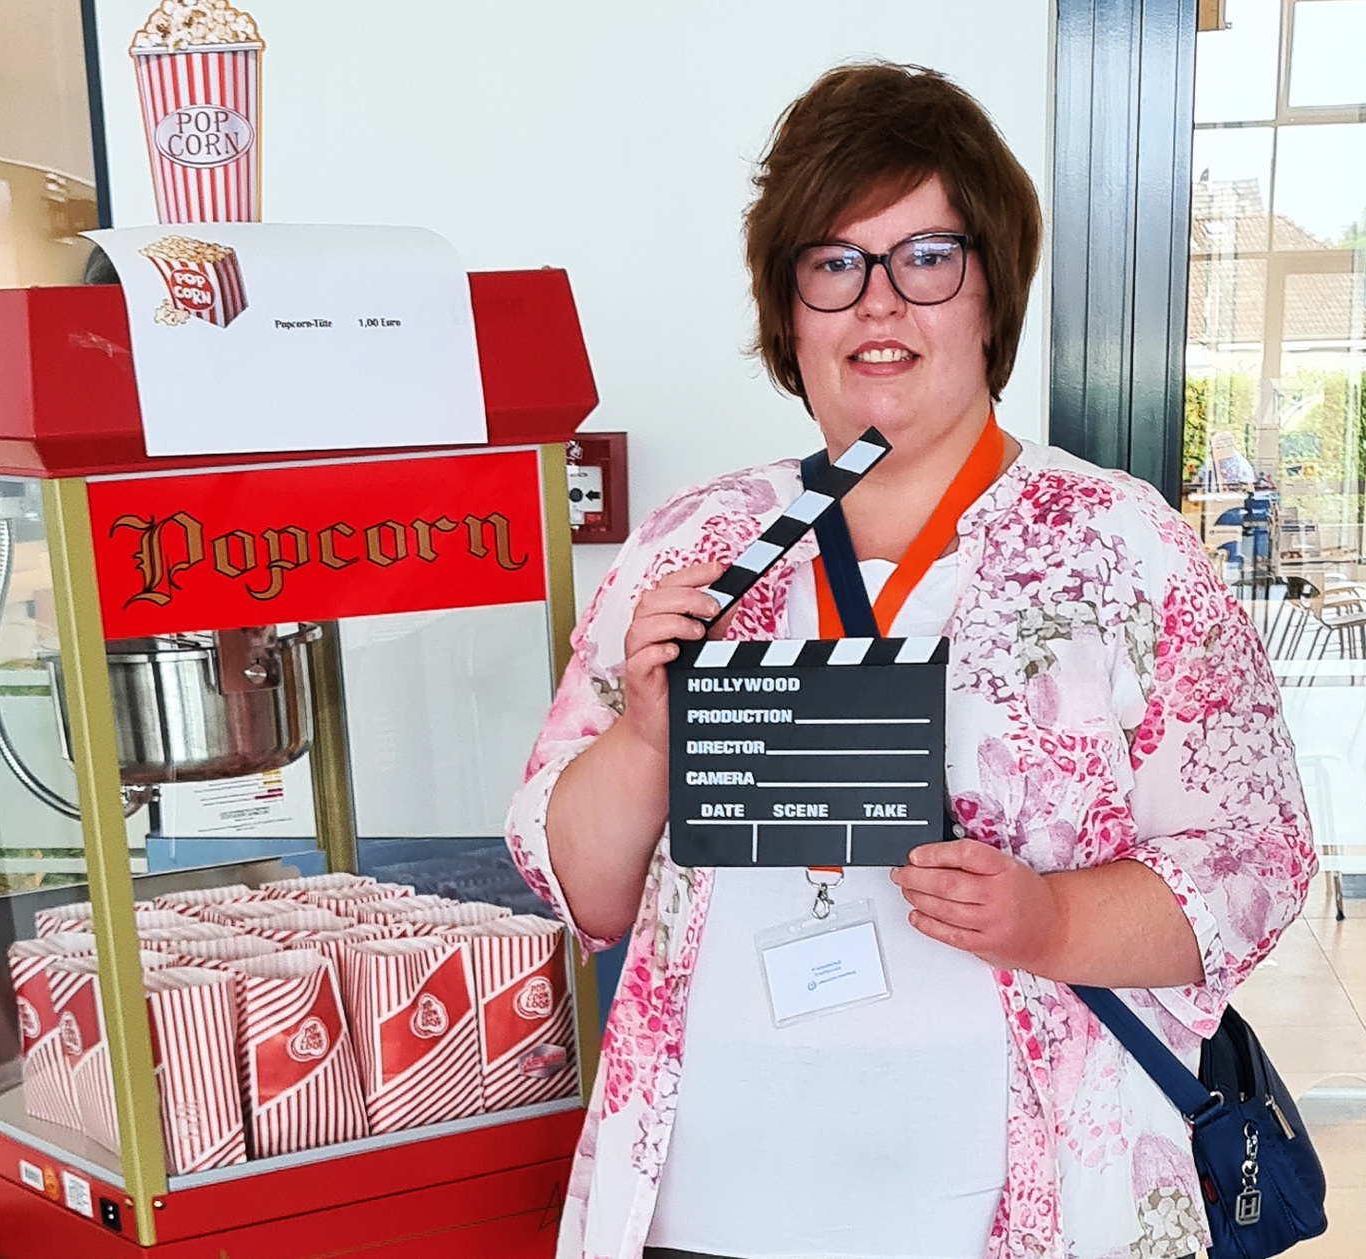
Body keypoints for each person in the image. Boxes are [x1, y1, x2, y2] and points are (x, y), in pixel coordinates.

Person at [507, 62, 1314, 1259]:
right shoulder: (699, 542)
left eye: (926, 256)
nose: (878, 304)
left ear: (992, 290)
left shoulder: (1119, 547)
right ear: (790, 311)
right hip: (710, 1204)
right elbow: (581, 885)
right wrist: (639, 737)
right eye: (834, 263)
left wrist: (1049, 919)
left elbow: (1253, 866)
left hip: (1024, 1207)